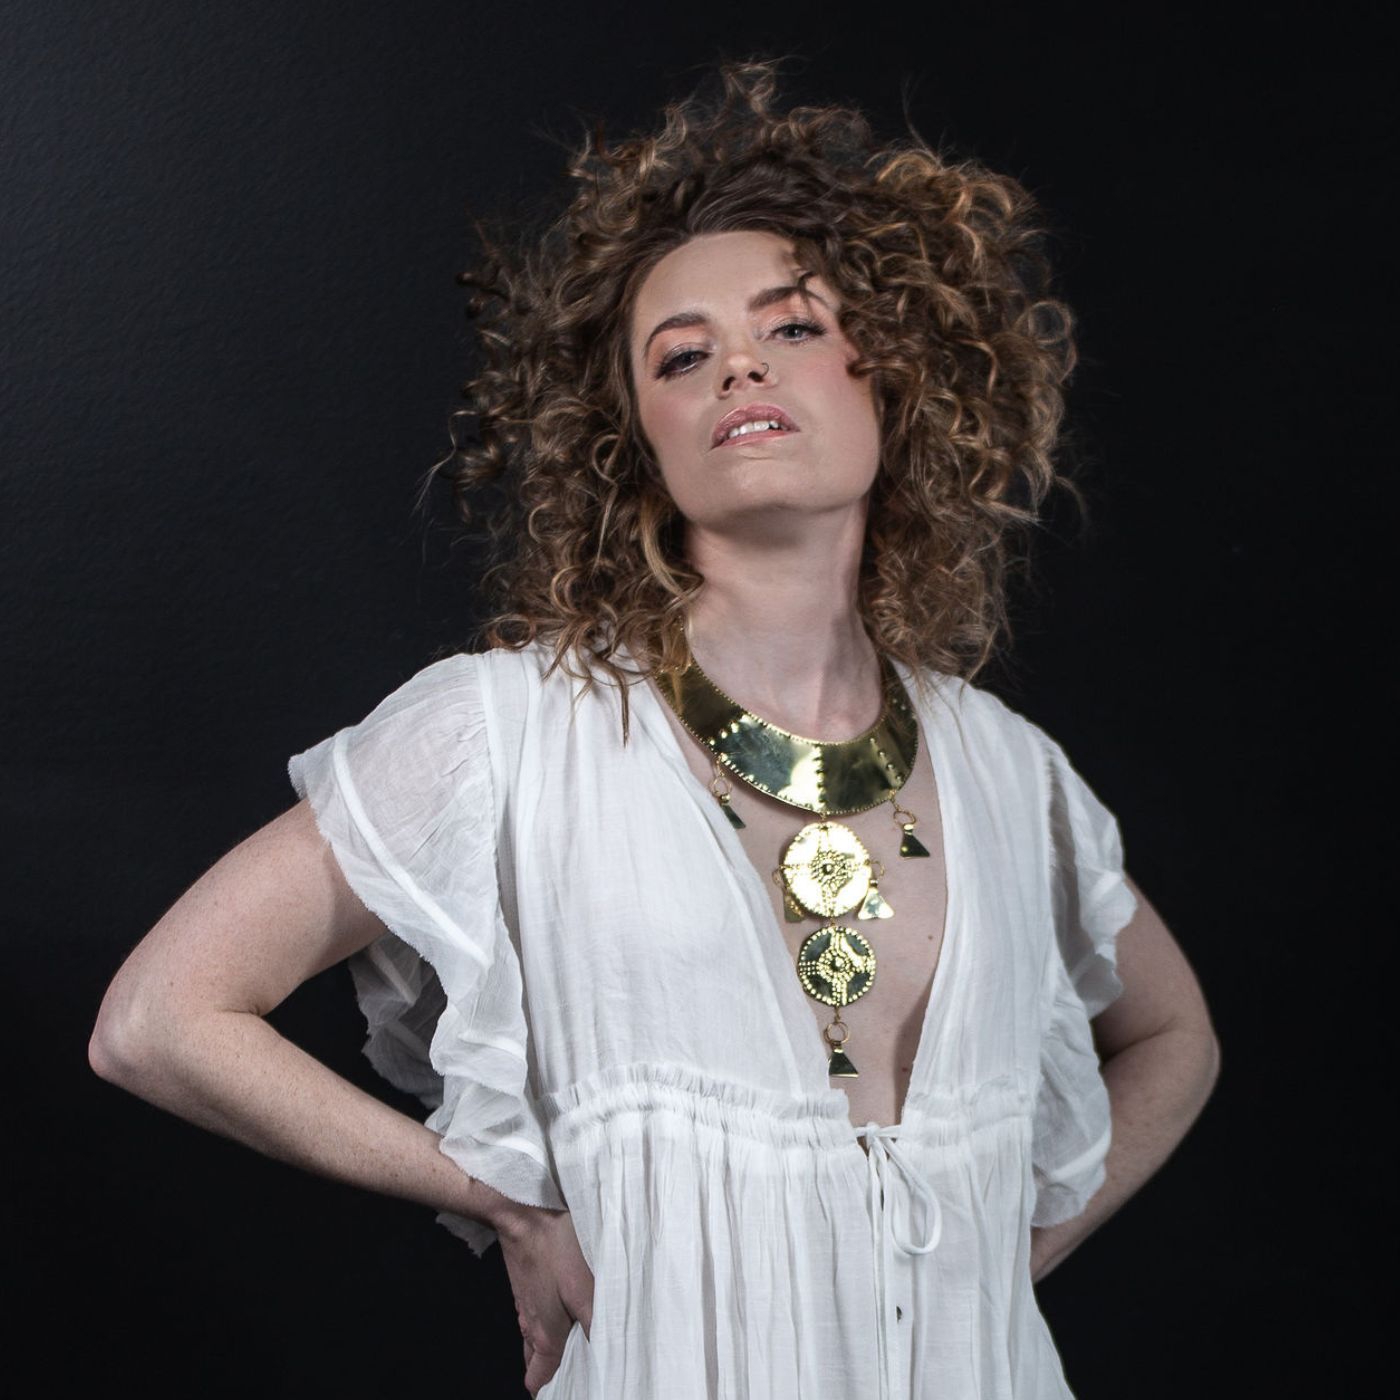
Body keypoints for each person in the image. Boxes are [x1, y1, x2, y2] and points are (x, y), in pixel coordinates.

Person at [88, 58, 1221, 1400]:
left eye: (792, 325)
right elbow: (158, 1018)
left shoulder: (1012, 773)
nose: (739, 361)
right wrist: (501, 1202)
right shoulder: (513, 734)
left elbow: (1177, 1038)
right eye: (682, 355)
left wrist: (1008, 1260)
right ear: (637, 441)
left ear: (893, 378)